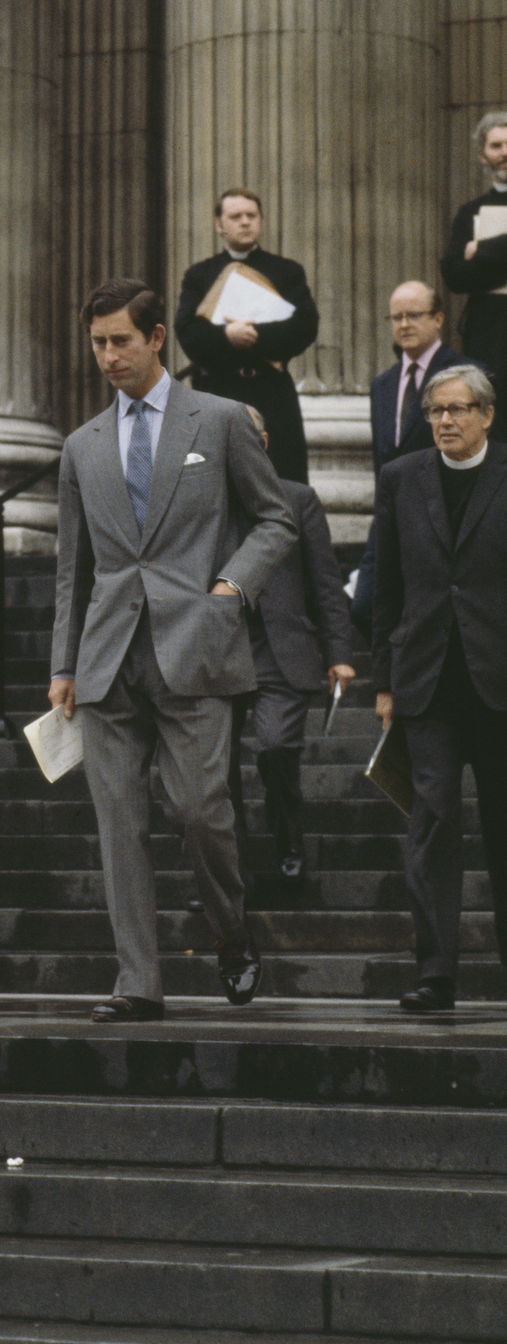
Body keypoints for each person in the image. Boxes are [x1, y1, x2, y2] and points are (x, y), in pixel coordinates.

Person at [49, 280, 297, 1021]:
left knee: (199, 811)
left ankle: (231, 934)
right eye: (97, 343)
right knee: (120, 824)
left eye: (121, 339)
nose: (108, 355)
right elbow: (73, 565)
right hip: (106, 656)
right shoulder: (80, 445)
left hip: (196, 643)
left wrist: (232, 586)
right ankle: (138, 980)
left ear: (158, 338)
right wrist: (63, 664)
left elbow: (276, 519)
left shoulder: (219, 421)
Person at [372, 364, 507, 1013]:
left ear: (487, 413)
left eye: (458, 409)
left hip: (500, 682)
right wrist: (383, 679)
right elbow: (387, 584)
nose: (445, 421)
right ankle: (436, 973)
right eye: (435, 411)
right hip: (427, 683)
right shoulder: (402, 480)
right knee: (433, 822)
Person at [228, 405, 355, 885]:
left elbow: (326, 583)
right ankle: (228, 871)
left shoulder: (298, 498)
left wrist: (339, 653)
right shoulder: (203, 504)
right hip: (220, 652)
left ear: (262, 443)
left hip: (282, 653)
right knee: (213, 770)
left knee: (276, 746)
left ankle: (288, 837)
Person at [174, 188, 319, 482]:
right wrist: (227, 335)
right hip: (218, 389)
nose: (244, 222)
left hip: (272, 391)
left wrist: (253, 335)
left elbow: (305, 326)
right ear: (219, 225)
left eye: (251, 216)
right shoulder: (199, 275)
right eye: (235, 216)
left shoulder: (287, 271)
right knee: (215, 481)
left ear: (261, 221)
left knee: (281, 480)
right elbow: (188, 332)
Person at [350, 282, 467, 639]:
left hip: (446, 521)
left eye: (414, 315)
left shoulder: (466, 376)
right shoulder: (382, 385)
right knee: (364, 608)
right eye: (396, 317)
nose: (404, 324)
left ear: (438, 319)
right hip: (390, 521)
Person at [440, 112, 507, 433]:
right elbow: (455, 275)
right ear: (483, 155)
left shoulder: (477, 241)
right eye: (496, 145)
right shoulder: (469, 212)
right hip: (489, 336)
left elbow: (471, 266)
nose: (505, 152)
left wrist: (481, 252)